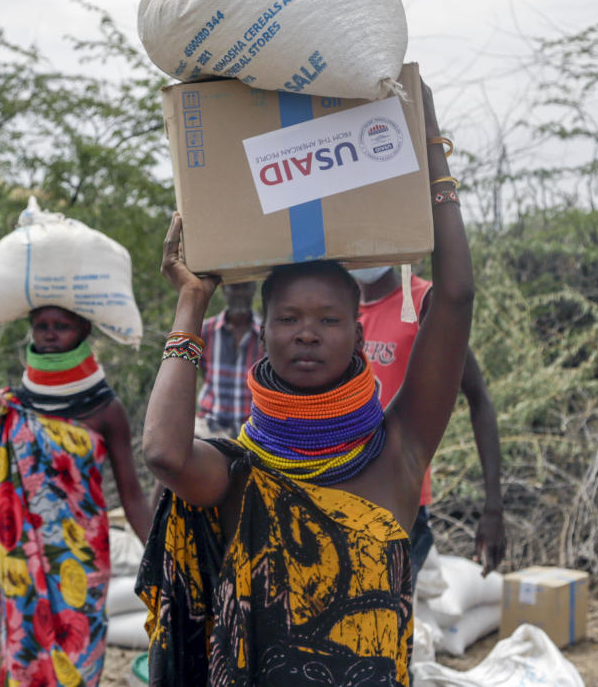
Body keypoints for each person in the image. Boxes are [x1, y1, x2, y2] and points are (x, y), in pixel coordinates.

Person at [140, 80, 472, 685]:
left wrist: (430, 146)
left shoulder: (399, 449)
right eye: (289, 319)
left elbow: (454, 297)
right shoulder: (240, 472)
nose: (308, 334)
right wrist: (192, 302)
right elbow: (164, 453)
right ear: (263, 333)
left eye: (328, 320)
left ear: (357, 330)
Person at [0, 297, 154, 687]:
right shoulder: (11, 406)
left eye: (63, 325)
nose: (50, 334)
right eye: (42, 325)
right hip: (20, 561)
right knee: (25, 659)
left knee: (79, 660)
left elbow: (133, 497)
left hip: (83, 560)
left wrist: (162, 558)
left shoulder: (106, 409)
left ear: (85, 331)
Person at [350, 265, 506, 575]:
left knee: (388, 615)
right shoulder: (335, 305)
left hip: (400, 502)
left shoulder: (423, 302)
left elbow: (478, 397)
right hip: (340, 491)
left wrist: (493, 507)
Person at [195, 281, 264, 439]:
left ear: (253, 288)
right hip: (210, 424)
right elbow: (202, 371)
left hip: (252, 428)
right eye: (234, 287)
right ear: (224, 291)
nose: (239, 293)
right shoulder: (206, 330)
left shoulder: (266, 333)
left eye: (244, 287)